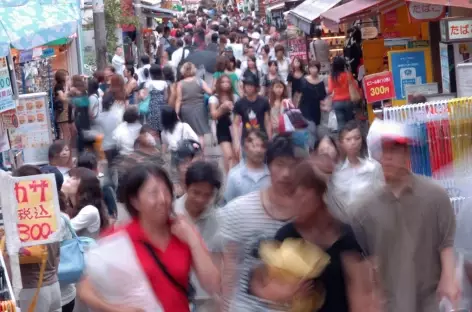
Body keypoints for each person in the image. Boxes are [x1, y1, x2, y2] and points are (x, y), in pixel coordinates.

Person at [77, 163, 220, 312]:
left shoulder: (182, 231)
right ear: (135, 201)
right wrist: (115, 309)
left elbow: (213, 284)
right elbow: (85, 290)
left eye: (167, 192)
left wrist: (192, 239)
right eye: (154, 193)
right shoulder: (119, 239)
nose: (163, 200)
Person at [352, 122, 459, 312]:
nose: (389, 156)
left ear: (407, 155)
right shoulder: (365, 209)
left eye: (396, 150)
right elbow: (365, 260)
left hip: (430, 301)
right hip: (390, 303)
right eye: (385, 150)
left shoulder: (435, 196)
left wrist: (448, 279)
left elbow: (446, 243)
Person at [250, 159, 379, 311]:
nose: (293, 203)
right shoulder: (287, 237)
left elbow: (363, 292)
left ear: (317, 194)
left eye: (299, 195)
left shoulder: (347, 237)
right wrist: (287, 293)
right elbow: (260, 285)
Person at [219, 134, 307, 311]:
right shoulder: (239, 212)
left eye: (293, 166)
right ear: (269, 166)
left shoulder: (310, 214)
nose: (286, 174)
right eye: (280, 164)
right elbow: (226, 272)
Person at [174, 161, 222, 312]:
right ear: (185, 187)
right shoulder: (171, 215)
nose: (201, 200)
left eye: (207, 195)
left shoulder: (220, 220)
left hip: (209, 299)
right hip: (178, 295)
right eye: (196, 192)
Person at [14, 165, 62, 312]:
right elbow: (58, 255)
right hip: (54, 286)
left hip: (32, 289)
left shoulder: (22, 223)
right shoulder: (51, 215)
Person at [330, 121, 383, 222]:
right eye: (348, 139)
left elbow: (382, 196)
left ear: (362, 140)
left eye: (357, 138)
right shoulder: (337, 173)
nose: (353, 142)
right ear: (341, 143)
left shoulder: (373, 168)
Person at [224, 129, 270, 203]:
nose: (259, 150)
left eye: (263, 146)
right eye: (254, 146)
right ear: (245, 148)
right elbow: (228, 204)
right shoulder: (234, 176)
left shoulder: (272, 175)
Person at [62, 167, 109, 239]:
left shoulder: (90, 210)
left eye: (74, 178)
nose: (68, 179)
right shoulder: (69, 206)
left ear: (85, 186)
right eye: (70, 177)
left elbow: (63, 231)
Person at [175, 62, 213, 149]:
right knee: (200, 134)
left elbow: (179, 99)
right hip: (199, 108)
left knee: (189, 133)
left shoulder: (180, 84)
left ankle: (192, 154)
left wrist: (176, 112)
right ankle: (201, 155)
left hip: (186, 109)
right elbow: (210, 92)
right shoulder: (199, 81)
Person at [233, 72, 271, 157]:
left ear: (256, 87)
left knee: (263, 165)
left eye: (251, 85)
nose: (248, 88)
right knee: (247, 165)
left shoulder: (264, 101)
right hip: (246, 139)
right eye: (246, 85)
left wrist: (269, 139)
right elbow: (235, 124)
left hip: (261, 138)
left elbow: (267, 122)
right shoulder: (239, 103)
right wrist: (236, 142)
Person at [209, 75, 238, 173]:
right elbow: (213, 115)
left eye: (228, 82)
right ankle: (229, 178)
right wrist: (222, 108)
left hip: (235, 128)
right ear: (218, 84)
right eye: (223, 82)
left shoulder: (235, 97)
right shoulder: (214, 98)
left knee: (235, 156)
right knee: (228, 155)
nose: (226, 84)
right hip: (222, 127)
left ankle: (232, 177)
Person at [299, 61, 327, 148]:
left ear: (318, 69)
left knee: (317, 129)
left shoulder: (321, 81)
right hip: (306, 108)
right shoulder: (303, 80)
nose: (313, 70)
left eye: (315, 68)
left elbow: (323, 96)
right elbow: (299, 94)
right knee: (311, 128)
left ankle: (316, 147)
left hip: (317, 109)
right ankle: (311, 149)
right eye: (311, 68)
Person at [328, 56, 358, 130]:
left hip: (337, 102)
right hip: (348, 100)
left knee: (341, 123)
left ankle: (342, 139)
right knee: (350, 122)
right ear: (343, 65)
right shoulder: (348, 75)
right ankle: (350, 136)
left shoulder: (332, 76)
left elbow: (330, 90)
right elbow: (355, 87)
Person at [93, 92, 121, 165]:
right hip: (115, 144)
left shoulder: (98, 118)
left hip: (104, 146)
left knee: (110, 164)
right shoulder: (116, 116)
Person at [146, 64, 169, 135]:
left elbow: (146, 96)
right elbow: (166, 97)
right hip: (162, 106)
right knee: (163, 125)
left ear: (151, 73)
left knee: (153, 128)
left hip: (152, 106)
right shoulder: (164, 83)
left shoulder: (149, 83)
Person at [54, 69, 71, 142]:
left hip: (67, 111)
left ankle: (67, 148)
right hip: (62, 112)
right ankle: (65, 148)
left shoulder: (64, 86)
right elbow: (63, 98)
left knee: (68, 134)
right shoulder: (58, 86)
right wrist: (67, 87)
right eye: (66, 75)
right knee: (66, 134)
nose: (68, 76)